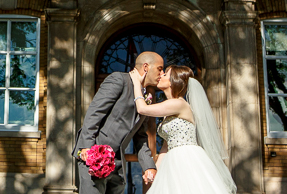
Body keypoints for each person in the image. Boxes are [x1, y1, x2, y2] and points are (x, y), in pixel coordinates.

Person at [129, 65, 237, 194]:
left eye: (165, 75)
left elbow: (142, 109)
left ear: (173, 81)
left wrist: (136, 82)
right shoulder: (168, 109)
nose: (161, 76)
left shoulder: (179, 104)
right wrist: (156, 169)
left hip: (186, 158)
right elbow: (166, 145)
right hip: (172, 158)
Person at [73, 52, 163, 194]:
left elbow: (140, 136)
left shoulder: (144, 98)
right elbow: (95, 113)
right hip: (95, 156)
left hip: (118, 163)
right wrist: (86, 147)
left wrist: (148, 166)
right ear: (146, 67)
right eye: (160, 68)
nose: (162, 73)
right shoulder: (118, 79)